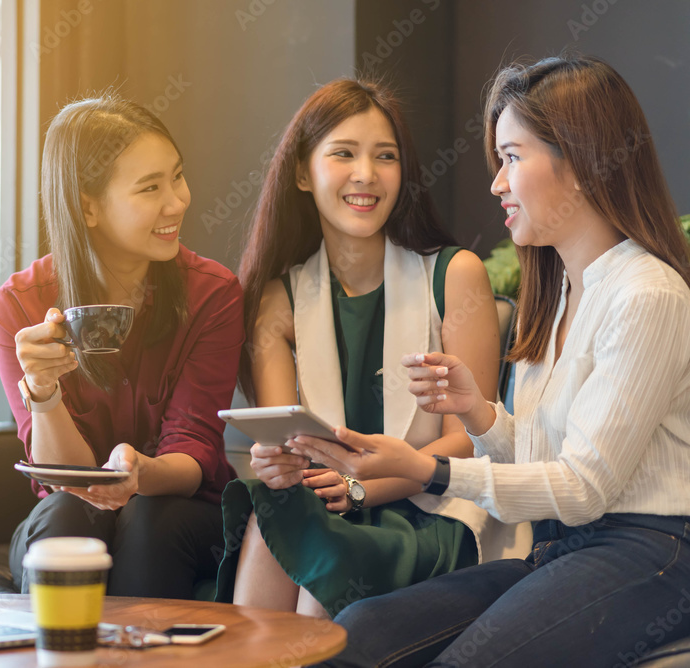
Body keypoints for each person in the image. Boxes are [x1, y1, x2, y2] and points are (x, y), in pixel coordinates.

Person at [293, 56, 690, 667]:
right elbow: (545, 462)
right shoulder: (559, 292)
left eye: (511, 158)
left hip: (653, 552)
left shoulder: (648, 295)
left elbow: (584, 488)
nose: (496, 185)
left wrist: (430, 470)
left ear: (581, 162)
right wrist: (478, 414)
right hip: (563, 548)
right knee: (356, 634)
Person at [214, 78, 529, 618]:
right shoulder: (276, 300)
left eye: (385, 156)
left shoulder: (454, 274)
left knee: (321, 553)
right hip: (328, 503)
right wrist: (275, 463)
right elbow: (289, 444)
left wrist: (362, 486)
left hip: (434, 508)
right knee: (276, 525)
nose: (366, 174)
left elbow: (474, 443)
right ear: (300, 173)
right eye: (343, 154)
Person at [0, 95, 243, 599]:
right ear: (88, 206)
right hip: (67, 511)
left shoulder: (212, 294)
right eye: (150, 188)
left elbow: (194, 451)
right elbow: (62, 478)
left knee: (150, 517)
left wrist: (140, 475)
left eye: (177, 177)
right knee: (67, 512)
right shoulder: (21, 306)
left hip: (180, 513)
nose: (178, 201)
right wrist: (43, 390)